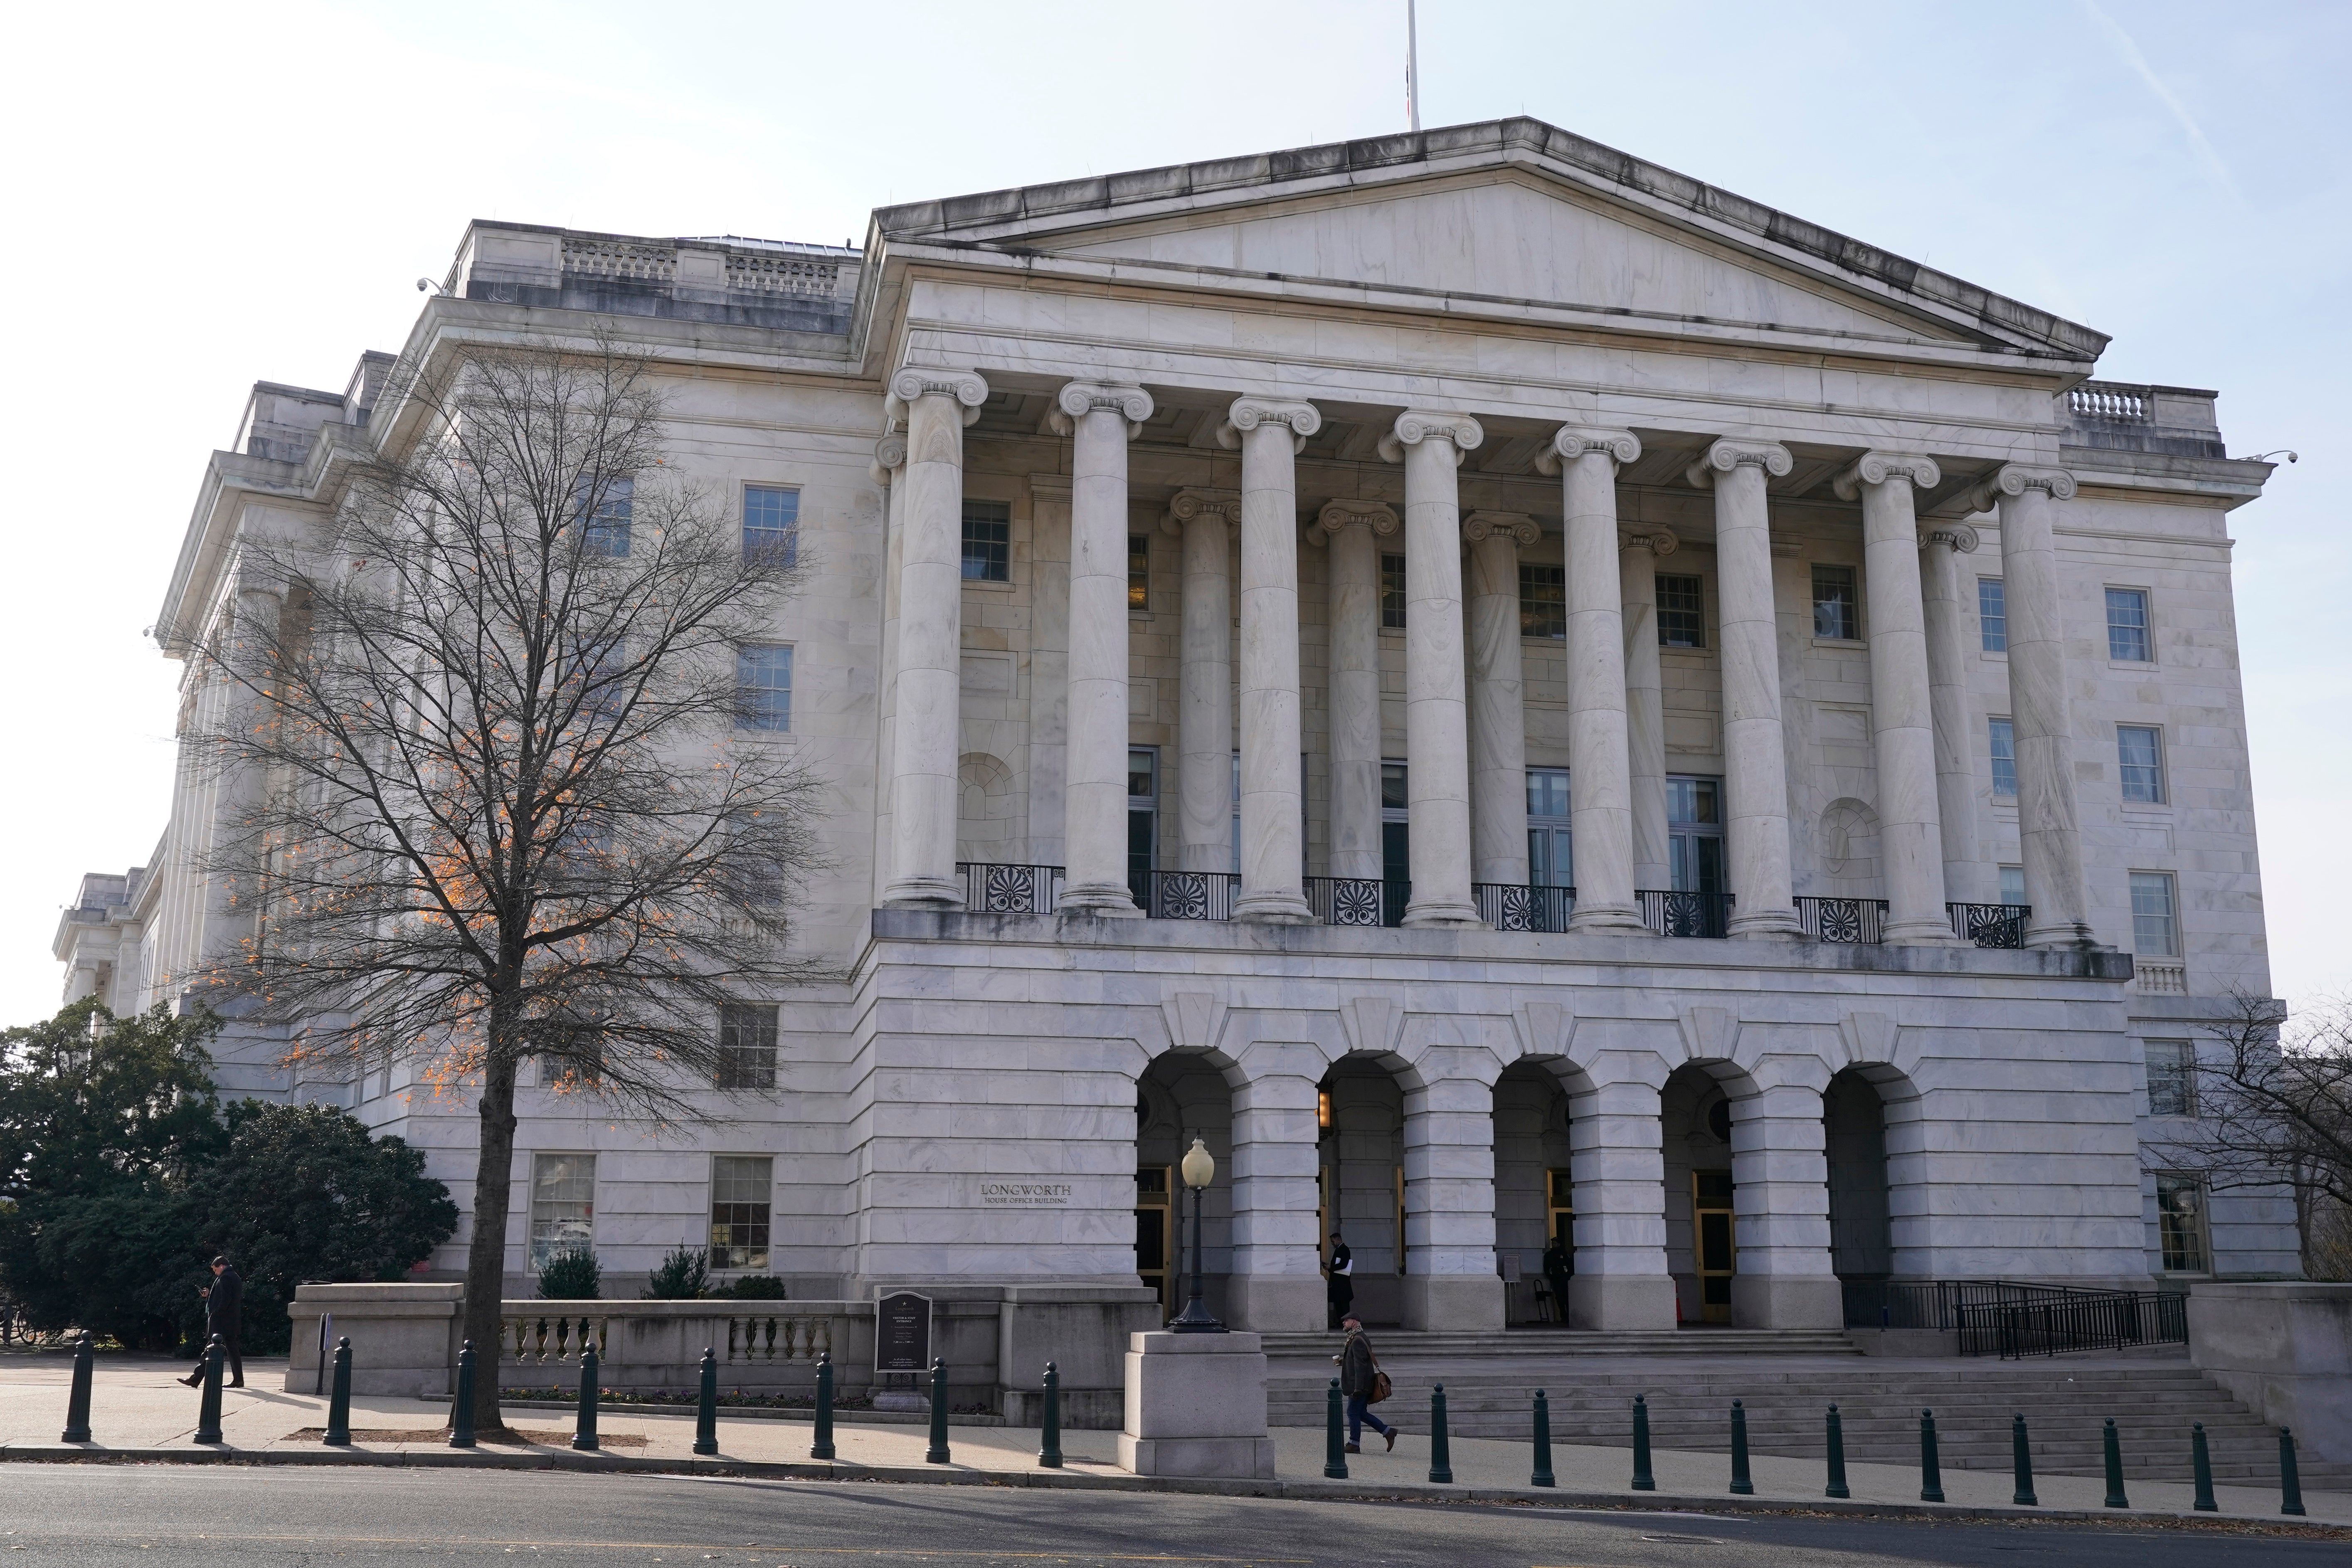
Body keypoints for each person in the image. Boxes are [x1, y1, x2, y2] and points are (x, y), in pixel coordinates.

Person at [1332, 1312, 1393, 1454]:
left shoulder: (1358, 1340)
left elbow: (1360, 1367)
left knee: (1352, 1413)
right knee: (1361, 1413)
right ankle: (1388, 1432)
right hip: (1363, 1384)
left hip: (1360, 1386)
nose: (1343, 1323)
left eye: (1346, 1321)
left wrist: (1358, 1389)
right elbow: (1359, 1362)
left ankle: (1354, 1444)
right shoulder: (1356, 1338)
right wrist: (1343, 1362)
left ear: (1354, 1322)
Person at [179, 1256, 244, 1388]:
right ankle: (238, 1379)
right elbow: (226, 1297)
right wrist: (209, 1295)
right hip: (231, 1320)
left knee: (210, 1349)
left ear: (221, 1266)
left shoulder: (225, 1277)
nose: (215, 1273)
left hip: (222, 1321)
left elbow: (226, 1300)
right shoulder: (234, 1276)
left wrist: (216, 1313)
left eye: (216, 1270)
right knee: (233, 1351)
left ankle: (195, 1379)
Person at [1541, 1232, 1573, 1326]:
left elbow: (1569, 1266)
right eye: (1553, 1243)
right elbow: (1546, 1267)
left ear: (1559, 1244)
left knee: (1566, 1298)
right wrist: (1551, 1276)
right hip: (1556, 1279)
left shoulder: (1564, 1253)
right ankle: (1563, 1316)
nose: (1554, 1245)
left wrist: (1568, 1276)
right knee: (1559, 1298)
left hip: (1564, 1279)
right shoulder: (1549, 1255)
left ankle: (1568, 1316)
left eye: (1555, 1243)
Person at [1324, 1232, 1354, 1330]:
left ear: (1338, 1240)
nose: (1332, 1243)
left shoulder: (1344, 1249)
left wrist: (1331, 1267)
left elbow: (1344, 1264)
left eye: (1333, 1241)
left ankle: (1345, 1324)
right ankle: (1340, 1322)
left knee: (1344, 1306)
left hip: (1342, 1284)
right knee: (1338, 1304)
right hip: (1338, 1284)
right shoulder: (1339, 1250)